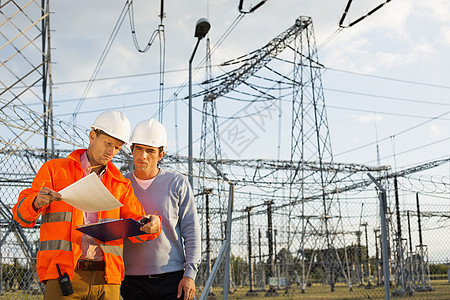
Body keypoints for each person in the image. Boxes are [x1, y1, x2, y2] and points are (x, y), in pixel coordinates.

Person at [12, 110, 162, 300]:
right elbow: (21, 216)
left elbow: (139, 227)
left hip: (107, 280)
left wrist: (153, 225)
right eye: (108, 143)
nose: (111, 152)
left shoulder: (120, 184)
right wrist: (35, 202)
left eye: (117, 147)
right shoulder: (55, 171)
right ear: (92, 136)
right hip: (64, 276)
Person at [121, 118, 201, 300]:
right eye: (139, 149)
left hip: (172, 278)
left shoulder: (177, 183)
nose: (143, 156)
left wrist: (190, 274)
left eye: (150, 151)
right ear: (131, 150)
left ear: (161, 154)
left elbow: (191, 231)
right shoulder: (120, 185)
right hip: (131, 281)